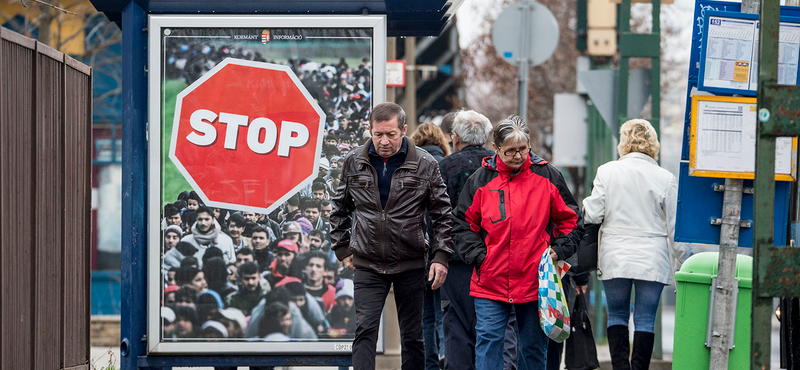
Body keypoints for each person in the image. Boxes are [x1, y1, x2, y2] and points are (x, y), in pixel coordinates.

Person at [330, 102, 454, 370]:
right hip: (367, 262)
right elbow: (340, 207)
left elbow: (443, 214)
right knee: (364, 330)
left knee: (413, 336)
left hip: (410, 261)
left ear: (404, 130)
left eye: (391, 134)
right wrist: (342, 249)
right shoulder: (354, 161)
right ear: (369, 131)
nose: (384, 141)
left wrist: (441, 257)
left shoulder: (425, 163)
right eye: (378, 134)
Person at [453, 115, 582, 370]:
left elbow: (572, 221)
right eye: (510, 151)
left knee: (533, 346)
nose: (518, 156)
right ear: (496, 149)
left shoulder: (548, 176)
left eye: (523, 149)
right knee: (489, 340)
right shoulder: (480, 180)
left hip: (536, 281)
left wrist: (558, 250)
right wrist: (480, 256)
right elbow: (463, 224)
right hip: (490, 279)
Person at [582, 119, 691, 370]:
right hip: (651, 257)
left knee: (617, 315)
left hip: (615, 254)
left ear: (623, 142)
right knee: (645, 318)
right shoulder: (665, 177)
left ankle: (620, 368)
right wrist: (685, 263)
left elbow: (592, 214)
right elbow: (676, 228)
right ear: (654, 144)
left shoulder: (607, 171)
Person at [437, 109, 493, 370]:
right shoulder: (497, 167)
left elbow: (435, 214)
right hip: (494, 259)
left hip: (456, 261)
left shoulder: (445, 167)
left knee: (457, 325)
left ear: (455, 138)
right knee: (493, 324)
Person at [411, 121, 451, 370]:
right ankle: (447, 356)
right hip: (444, 252)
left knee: (425, 315)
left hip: (417, 251)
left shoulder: (413, 166)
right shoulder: (447, 166)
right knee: (443, 312)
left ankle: (430, 364)